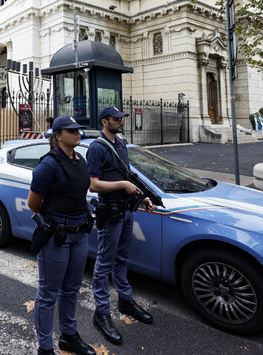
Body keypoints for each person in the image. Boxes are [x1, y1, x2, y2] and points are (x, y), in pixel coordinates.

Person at [27, 115, 95, 355]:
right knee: (48, 294)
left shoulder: (80, 160)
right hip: (57, 237)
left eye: (78, 129)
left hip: (79, 235)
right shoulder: (48, 165)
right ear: (58, 136)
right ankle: (45, 348)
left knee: (71, 289)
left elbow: (79, 193)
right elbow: (34, 203)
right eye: (71, 130)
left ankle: (69, 337)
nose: (78, 132)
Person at [87, 105, 155, 345]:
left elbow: (126, 176)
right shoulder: (97, 148)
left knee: (121, 259)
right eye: (117, 119)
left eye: (122, 119)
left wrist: (141, 195)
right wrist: (123, 187)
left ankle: (125, 301)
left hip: (127, 209)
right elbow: (93, 185)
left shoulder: (120, 143)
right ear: (105, 122)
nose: (122, 122)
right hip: (111, 211)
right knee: (104, 262)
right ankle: (101, 314)